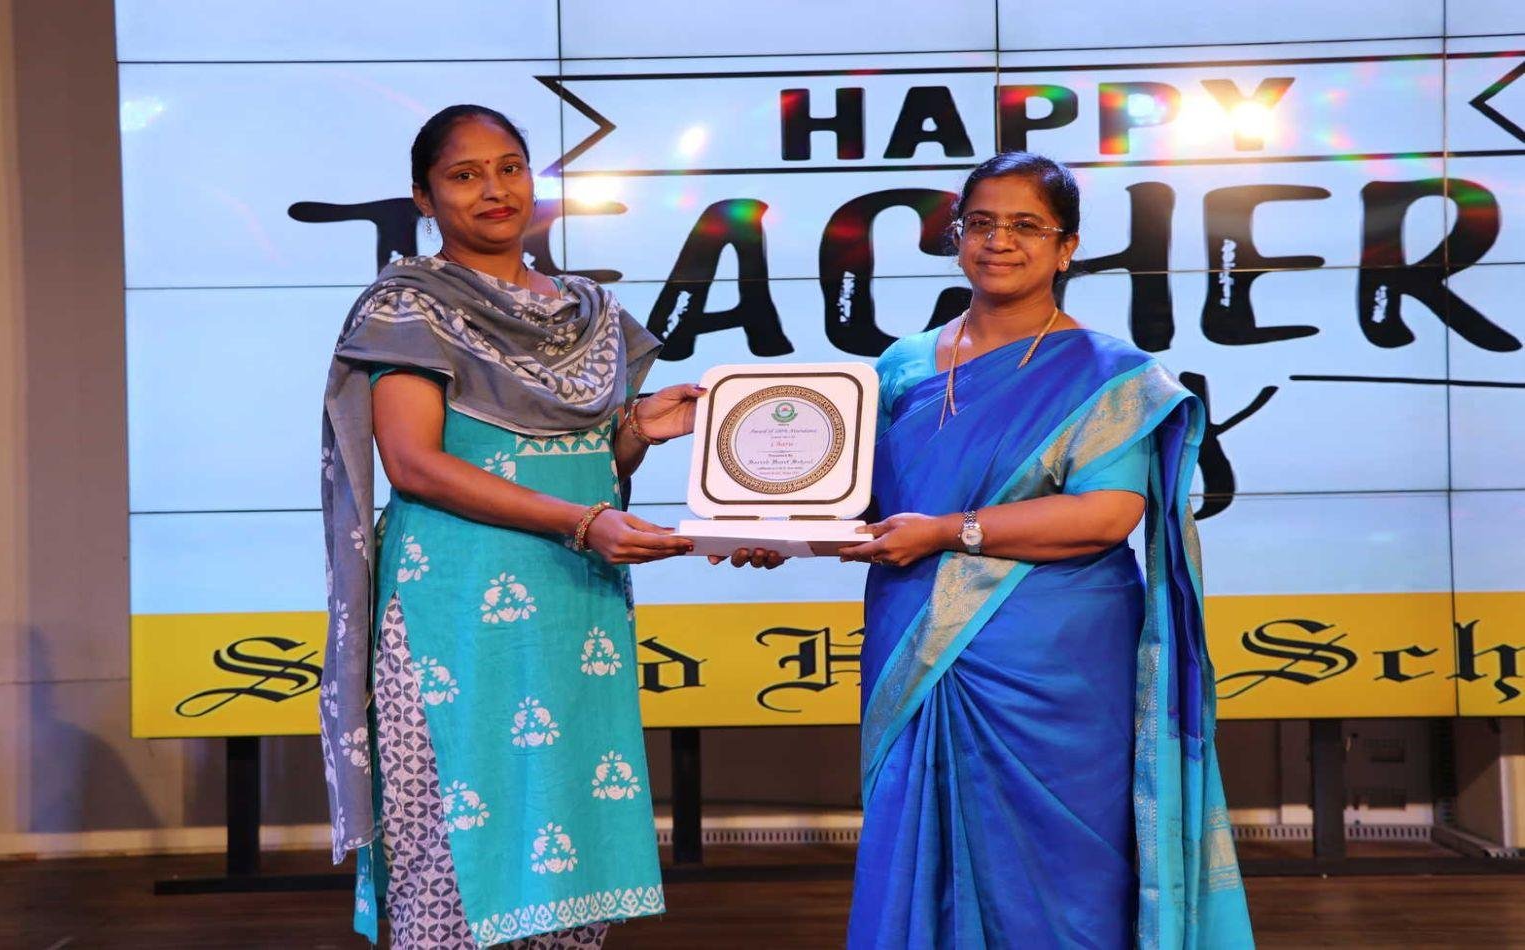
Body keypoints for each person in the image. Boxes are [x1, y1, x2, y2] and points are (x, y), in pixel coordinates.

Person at [319, 104, 773, 949]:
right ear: (422, 196)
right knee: (455, 846)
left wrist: (637, 429)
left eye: (510, 167)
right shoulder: (409, 305)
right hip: (455, 607)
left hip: (571, 604)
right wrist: (583, 522)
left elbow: (593, 464)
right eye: (463, 175)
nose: (494, 189)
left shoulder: (588, 311)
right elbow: (413, 464)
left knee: (565, 826)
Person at [838, 152, 1254, 949]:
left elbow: (1106, 513)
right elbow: (865, 499)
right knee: (919, 841)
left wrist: (948, 531)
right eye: (980, 223)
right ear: (956, 239)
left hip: (1055, 660)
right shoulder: (899, 366)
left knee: (1064, 868)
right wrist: (772, 531)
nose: (999, 241)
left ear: (1065, 247)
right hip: (916, 639)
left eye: (1025, 226)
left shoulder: (1110, 374)